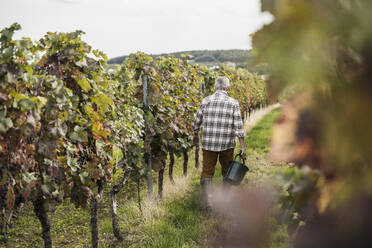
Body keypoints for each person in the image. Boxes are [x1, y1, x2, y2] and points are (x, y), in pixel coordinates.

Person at [192, 76, 246, 210]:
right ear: (228, 88)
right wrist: (243, 147)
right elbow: (239, 126)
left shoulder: (206, 101)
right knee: (227, 172)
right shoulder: (233, 103)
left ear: (215, 87)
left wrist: (195, 135)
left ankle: (208, 202)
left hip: (208, 144)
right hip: (226, 144)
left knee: (207, 172)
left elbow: (197, 121)